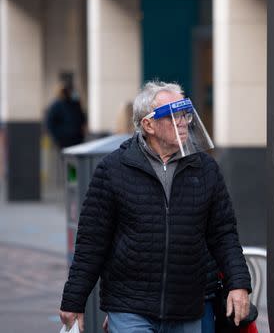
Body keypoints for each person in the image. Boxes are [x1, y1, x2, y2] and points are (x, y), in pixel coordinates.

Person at [59, 81, 251, 333]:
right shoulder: (113, 169)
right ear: (148, 124)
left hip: (187, 305)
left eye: (185, 114)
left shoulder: (205, 169)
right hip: (130, 304)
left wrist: (239, 284)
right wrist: (74, 301)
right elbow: (91, 242)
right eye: (173, 115)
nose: (183, 121)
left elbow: (223, 233)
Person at [46, 83, 87, 149]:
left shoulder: (75, 104)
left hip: (77, 139)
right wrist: (58, 137)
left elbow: (82, 118)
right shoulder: (56, 105)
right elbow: (50, 123)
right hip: (63, 140)